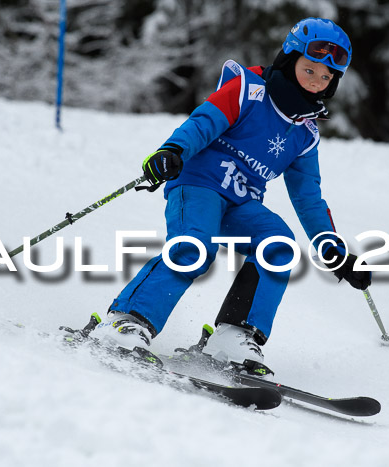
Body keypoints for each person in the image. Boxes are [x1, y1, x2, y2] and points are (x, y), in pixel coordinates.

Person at [85, 17, 371, 370]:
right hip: (198, 185)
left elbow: (308, 198)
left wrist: (332, 248)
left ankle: (234, 336)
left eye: (326, 77)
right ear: (289, 58)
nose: (316, 80)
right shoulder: (248, 89)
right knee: (194, 246)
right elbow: (203, 122)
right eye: (310, 69)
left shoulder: (304, 134)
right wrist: (172, 150)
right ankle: (126, 321)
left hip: (241, 203)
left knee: (278, 244)